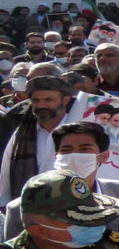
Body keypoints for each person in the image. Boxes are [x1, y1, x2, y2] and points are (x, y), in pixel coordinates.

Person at [4, 120, 119, 240]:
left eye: (85, 149)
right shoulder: (20, 208)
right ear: (56, 156)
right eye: (66, 150)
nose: (75, 155)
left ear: (103, 156)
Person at [0, 75, 74, 205]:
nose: (41, 105)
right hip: (28, 206)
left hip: (70, 204)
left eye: (48, 100)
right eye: (36, 100)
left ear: (65, 100)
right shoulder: (23, 133)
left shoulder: (79, 130)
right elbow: (7, 169)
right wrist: (4, 204)